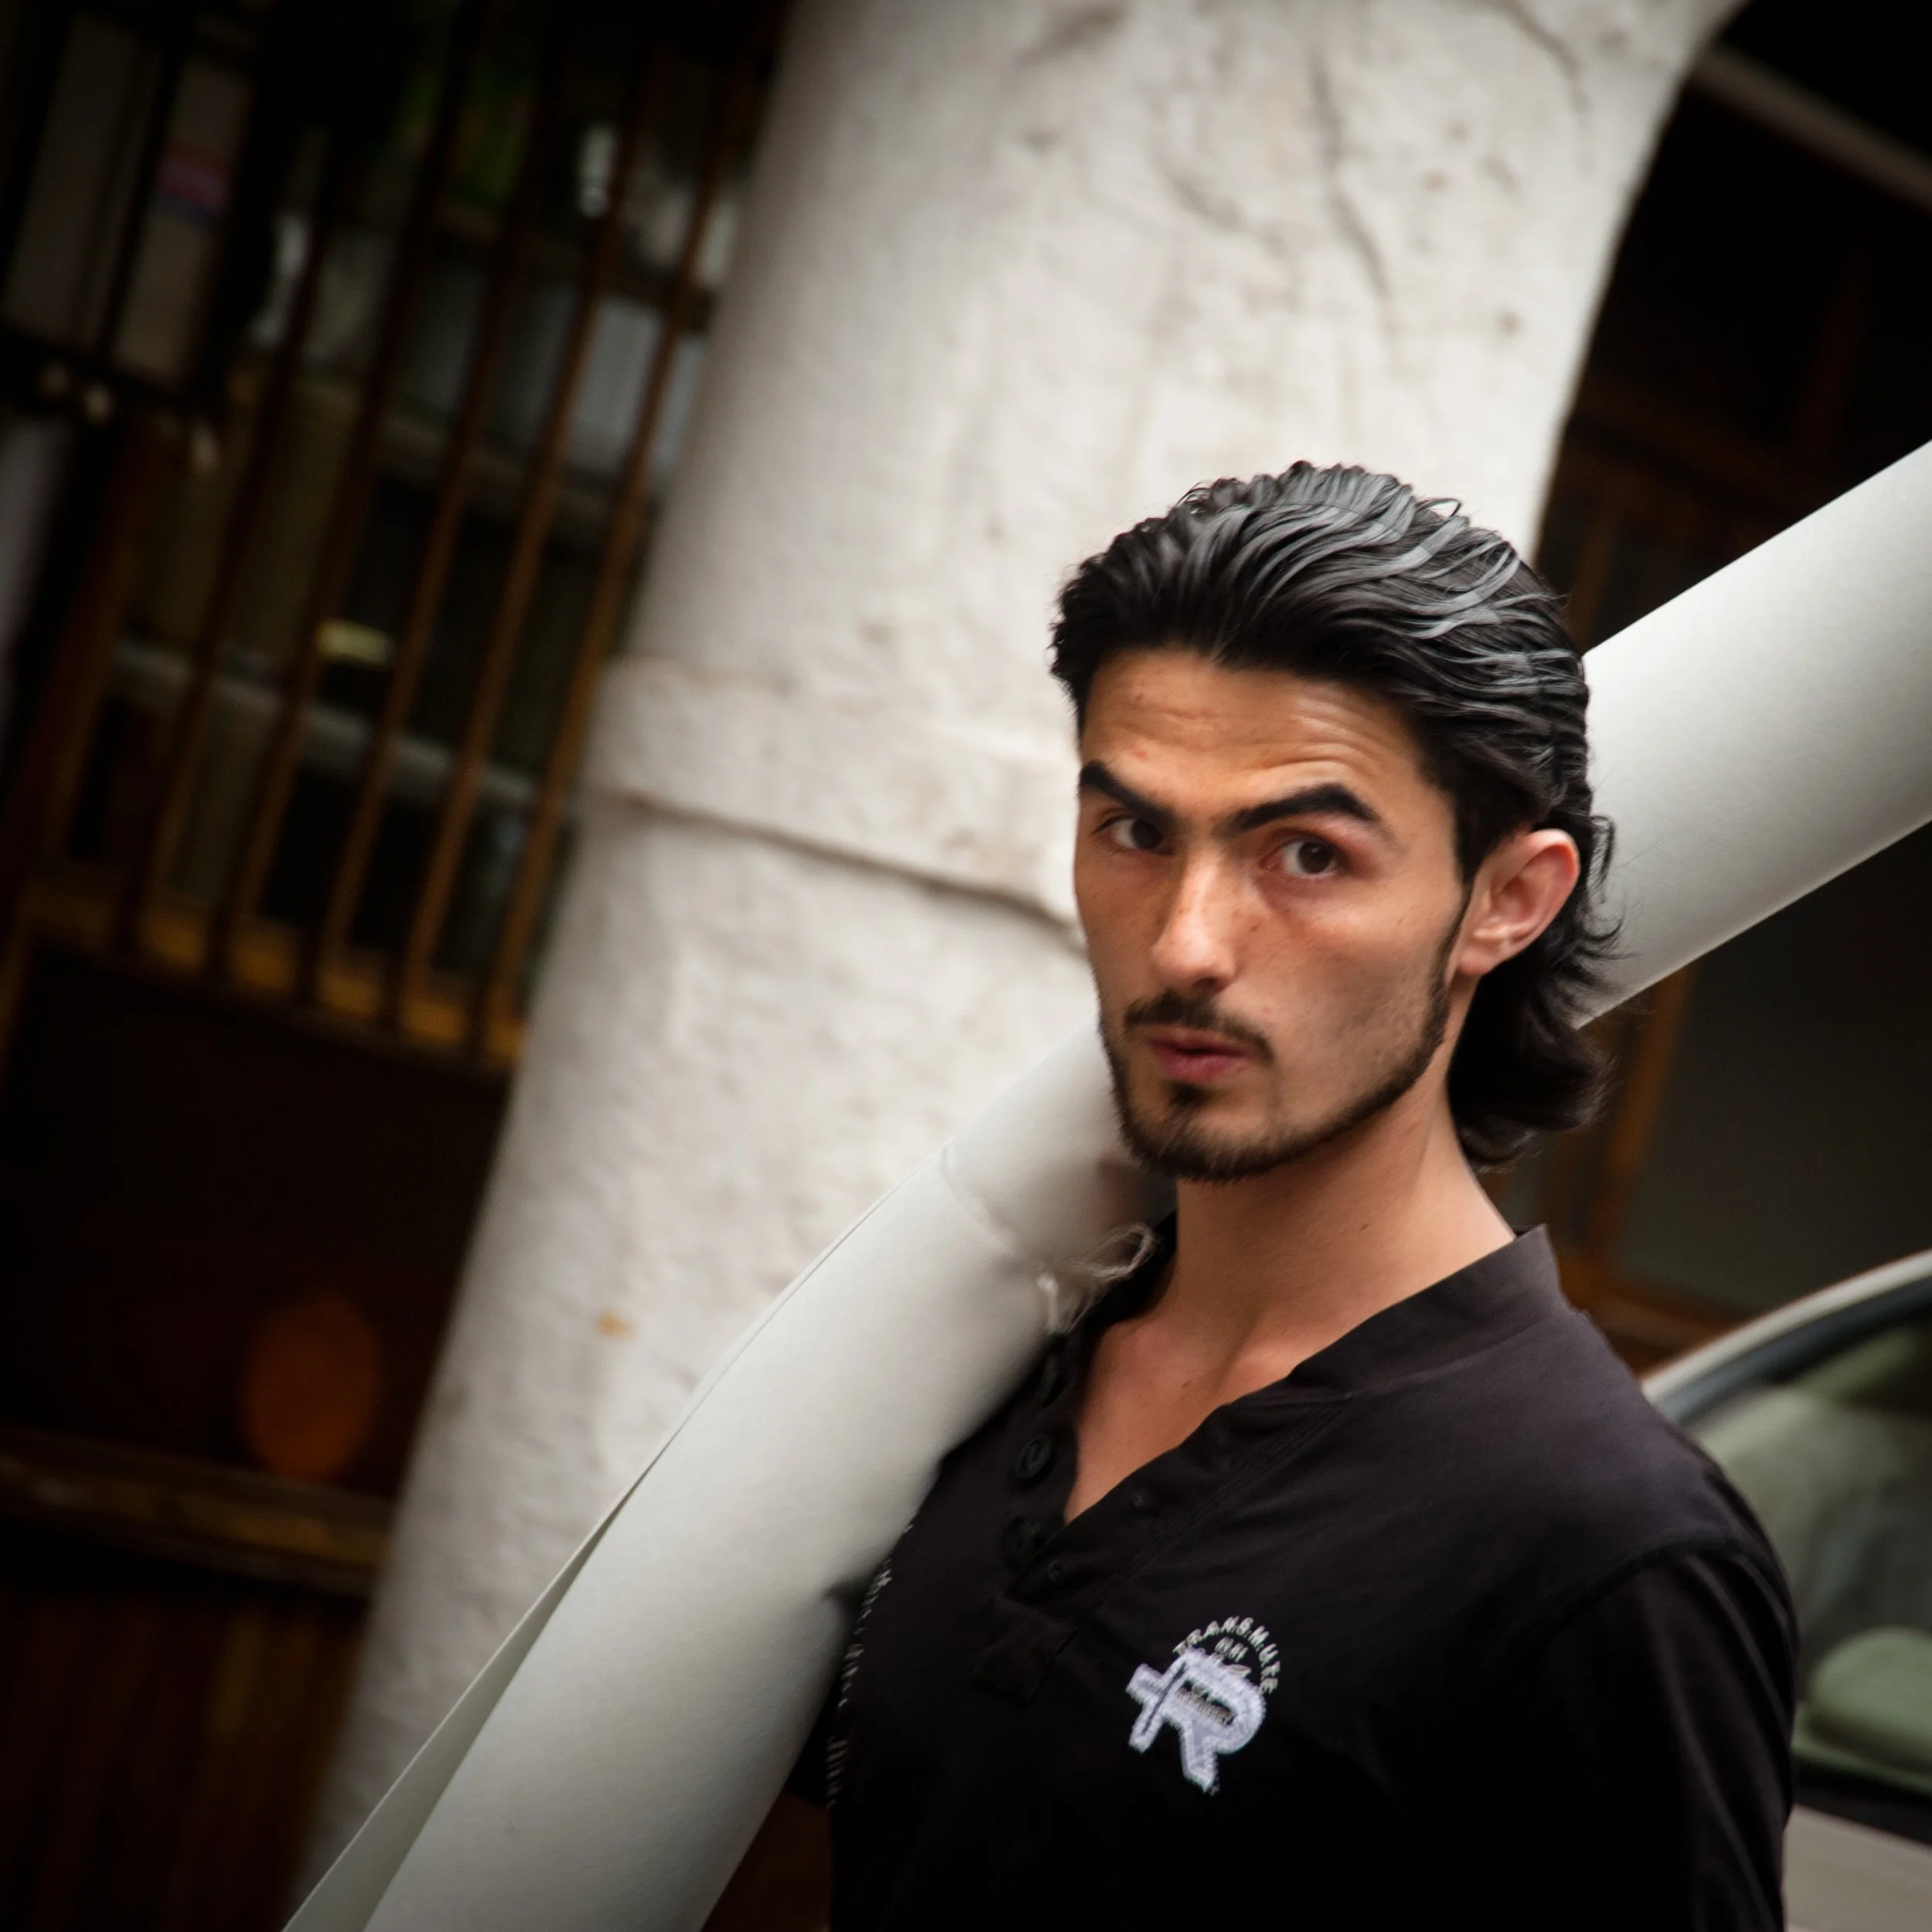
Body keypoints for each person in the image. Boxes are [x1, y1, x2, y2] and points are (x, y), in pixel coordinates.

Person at [704, 464, 1794, 1930]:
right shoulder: (975, 1370)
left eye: (1305, 854)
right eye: (1137, 832)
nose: (1190, 943)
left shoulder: (1601, 1554)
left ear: (1505, 901)